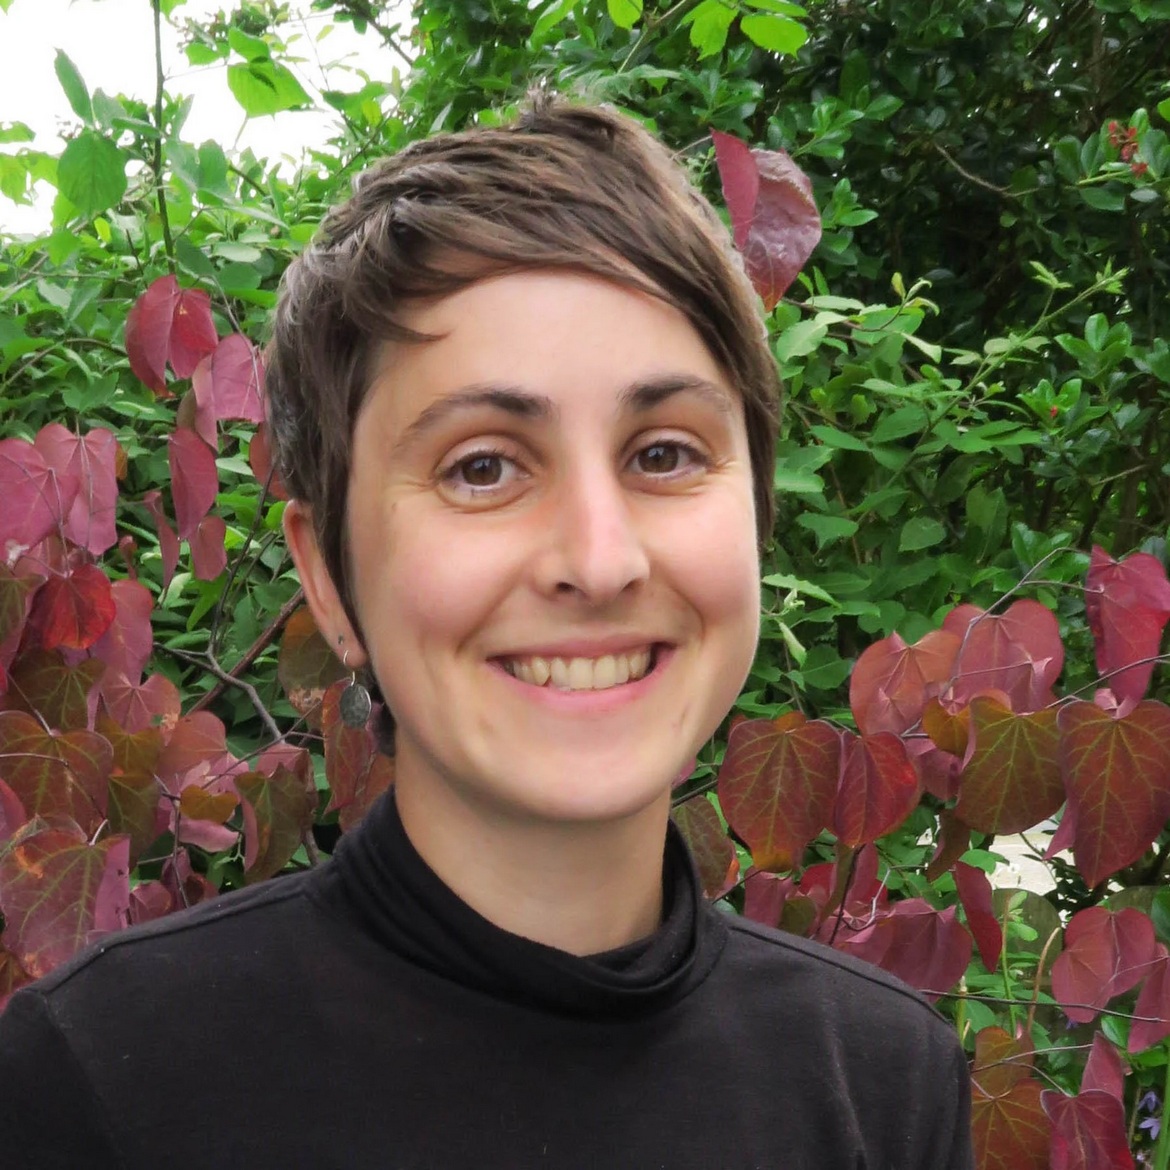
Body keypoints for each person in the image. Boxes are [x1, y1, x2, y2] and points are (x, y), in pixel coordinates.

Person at [0, 96, 972, 1168]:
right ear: (330, 579)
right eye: (482, 468)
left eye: (664, 454)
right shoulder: (102, 1084)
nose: (599, 560)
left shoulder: (883, 1084)